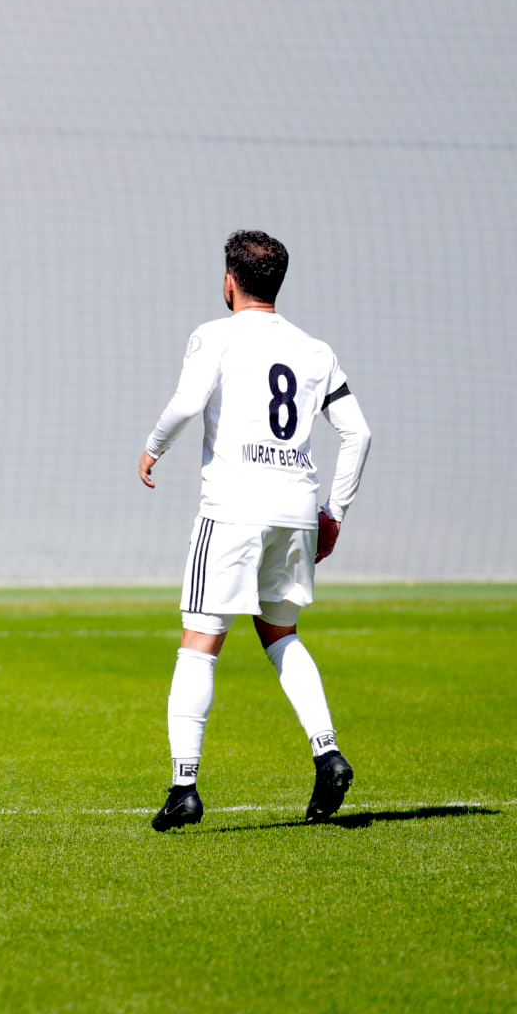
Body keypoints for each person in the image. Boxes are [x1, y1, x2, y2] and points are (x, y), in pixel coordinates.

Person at [137, 232, 372, 830]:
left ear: (229, 281)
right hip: (296, 511)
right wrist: (335, 513)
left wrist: (153, 447)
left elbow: (188, 402)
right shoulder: (315, 349)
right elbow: (358, 433)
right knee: (280, 634)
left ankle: (183, 787)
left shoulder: (214, 335)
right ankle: (328, 753)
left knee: (199, 642)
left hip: (233, 510)